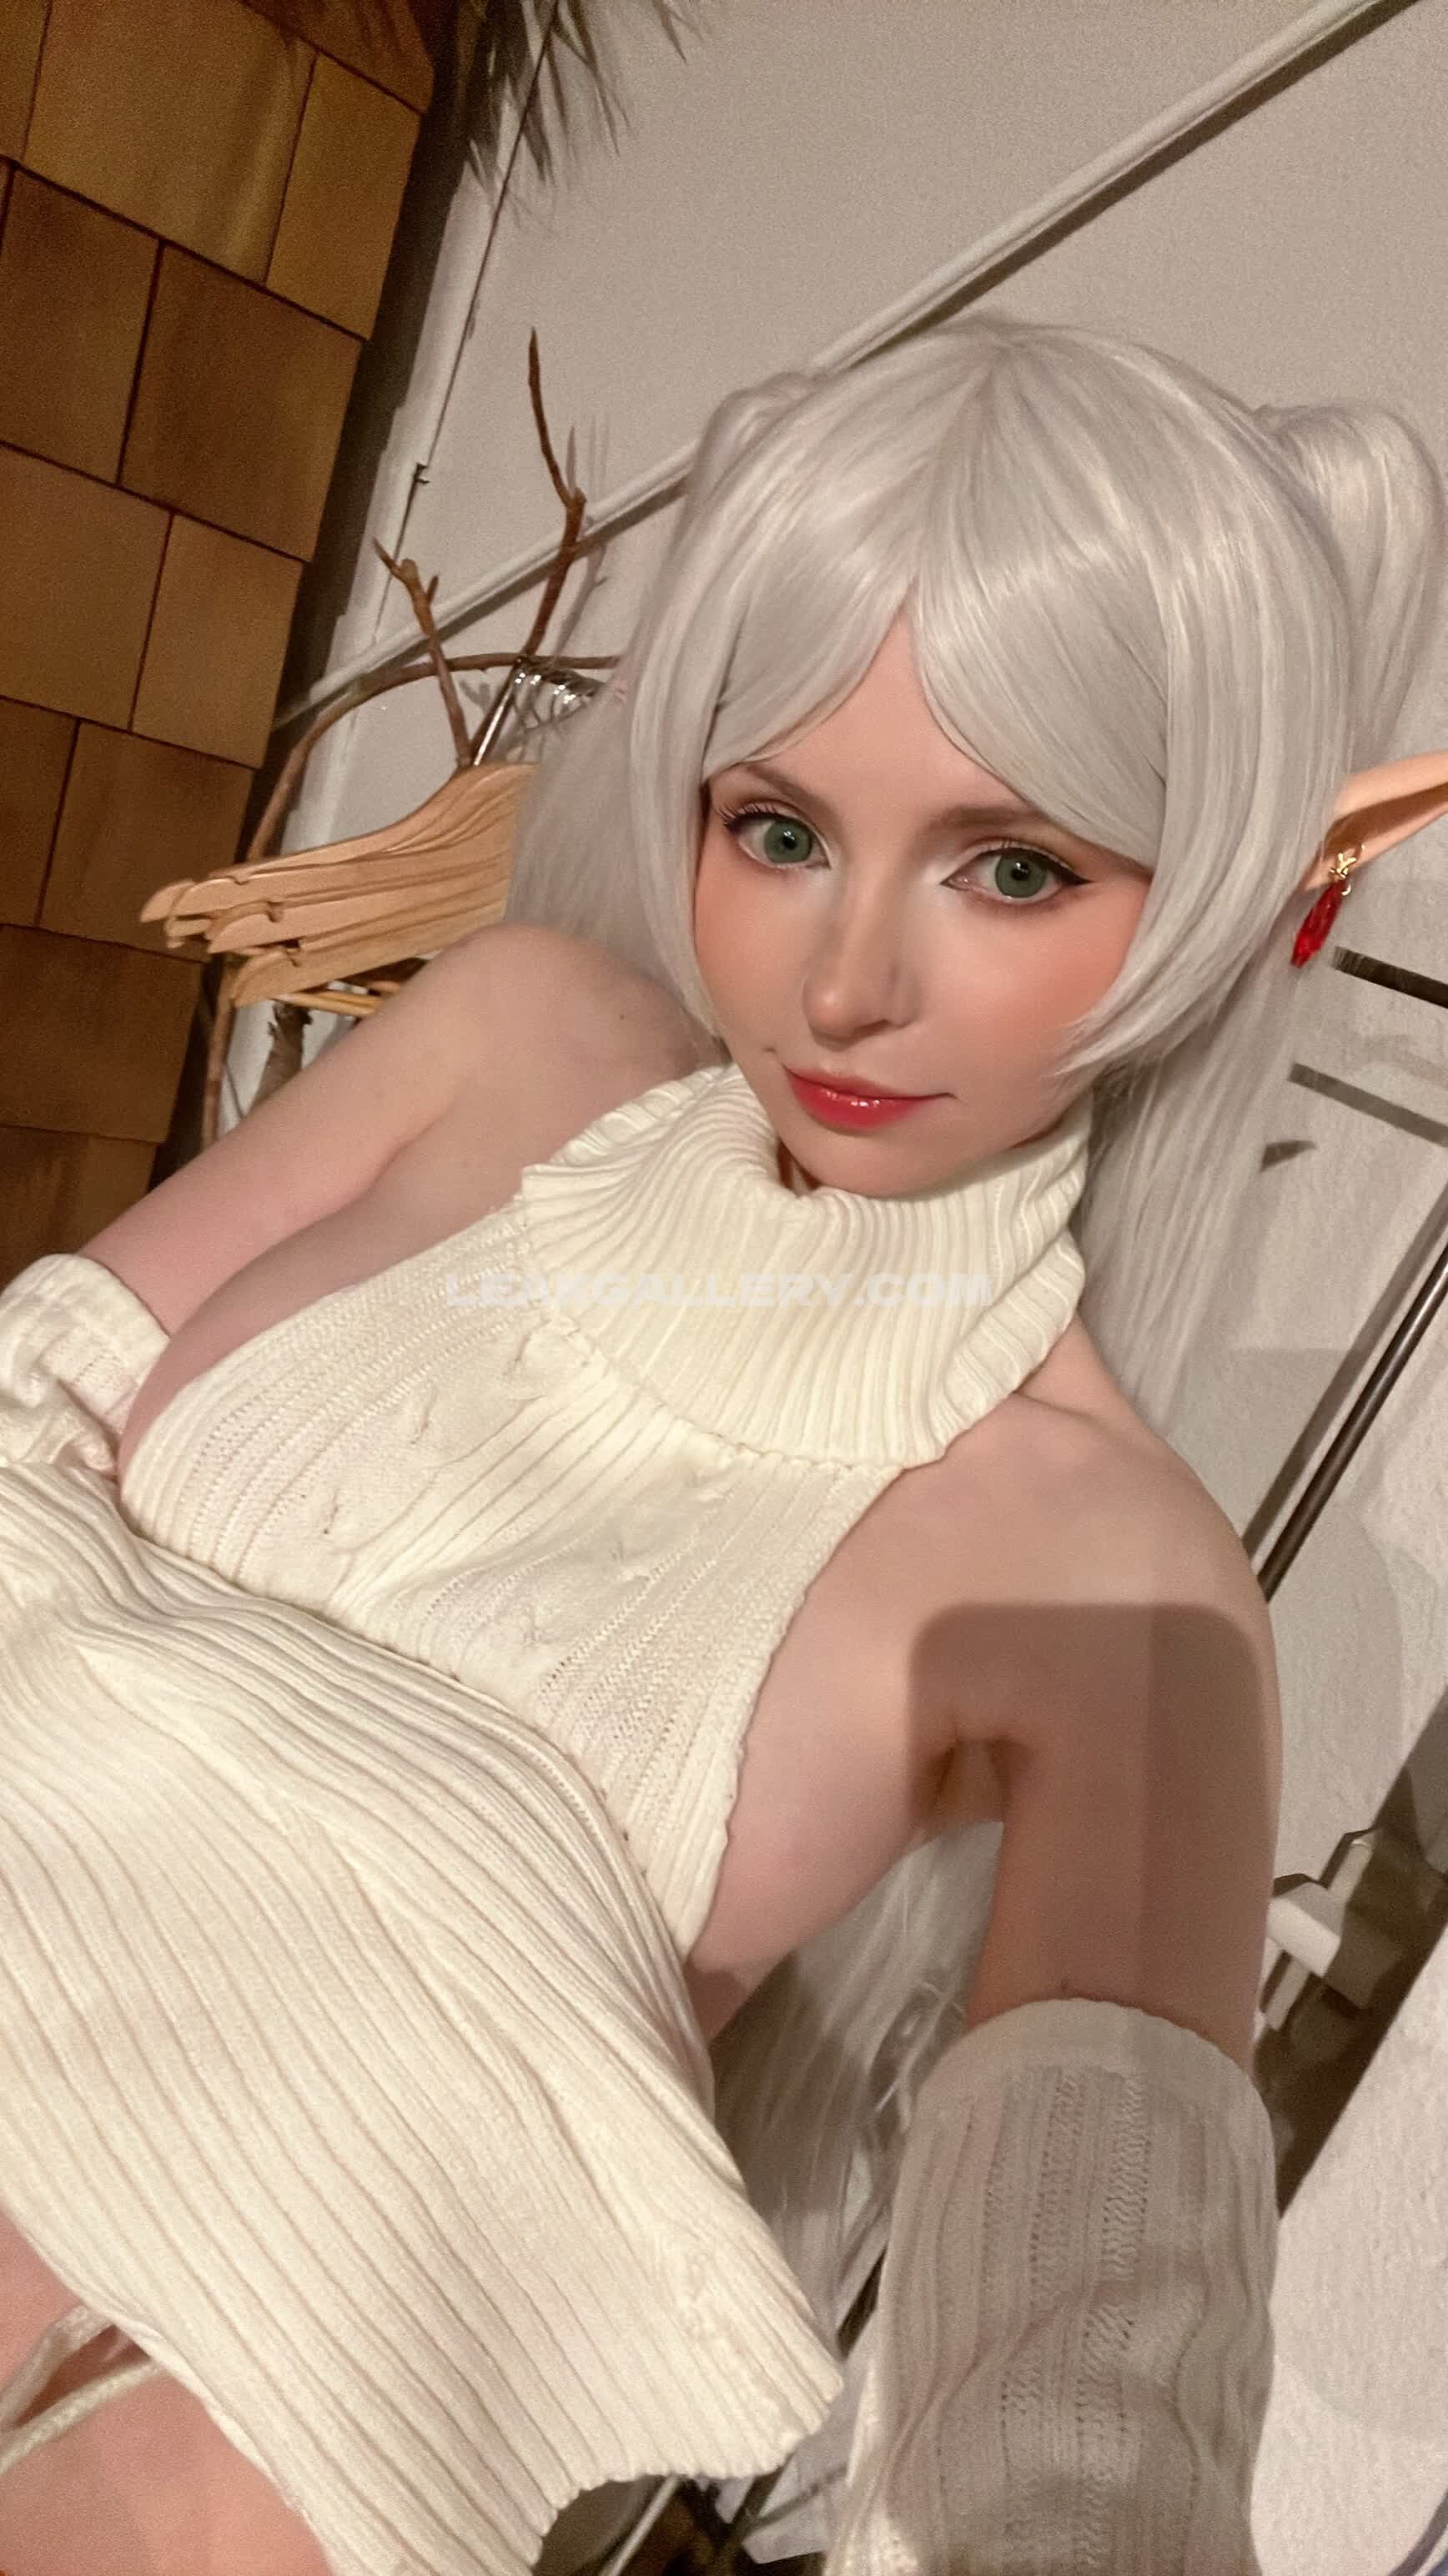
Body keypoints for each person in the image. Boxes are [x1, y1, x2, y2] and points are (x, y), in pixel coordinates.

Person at [0, 309, 1444, 2576]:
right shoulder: (517, 1033)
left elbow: (1071, 2424)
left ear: (1230, 895)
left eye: (1013, 868)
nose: (844, 979)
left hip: (195, 2431)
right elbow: (25, 1401)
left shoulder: (1109, 1578)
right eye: (779, 829)